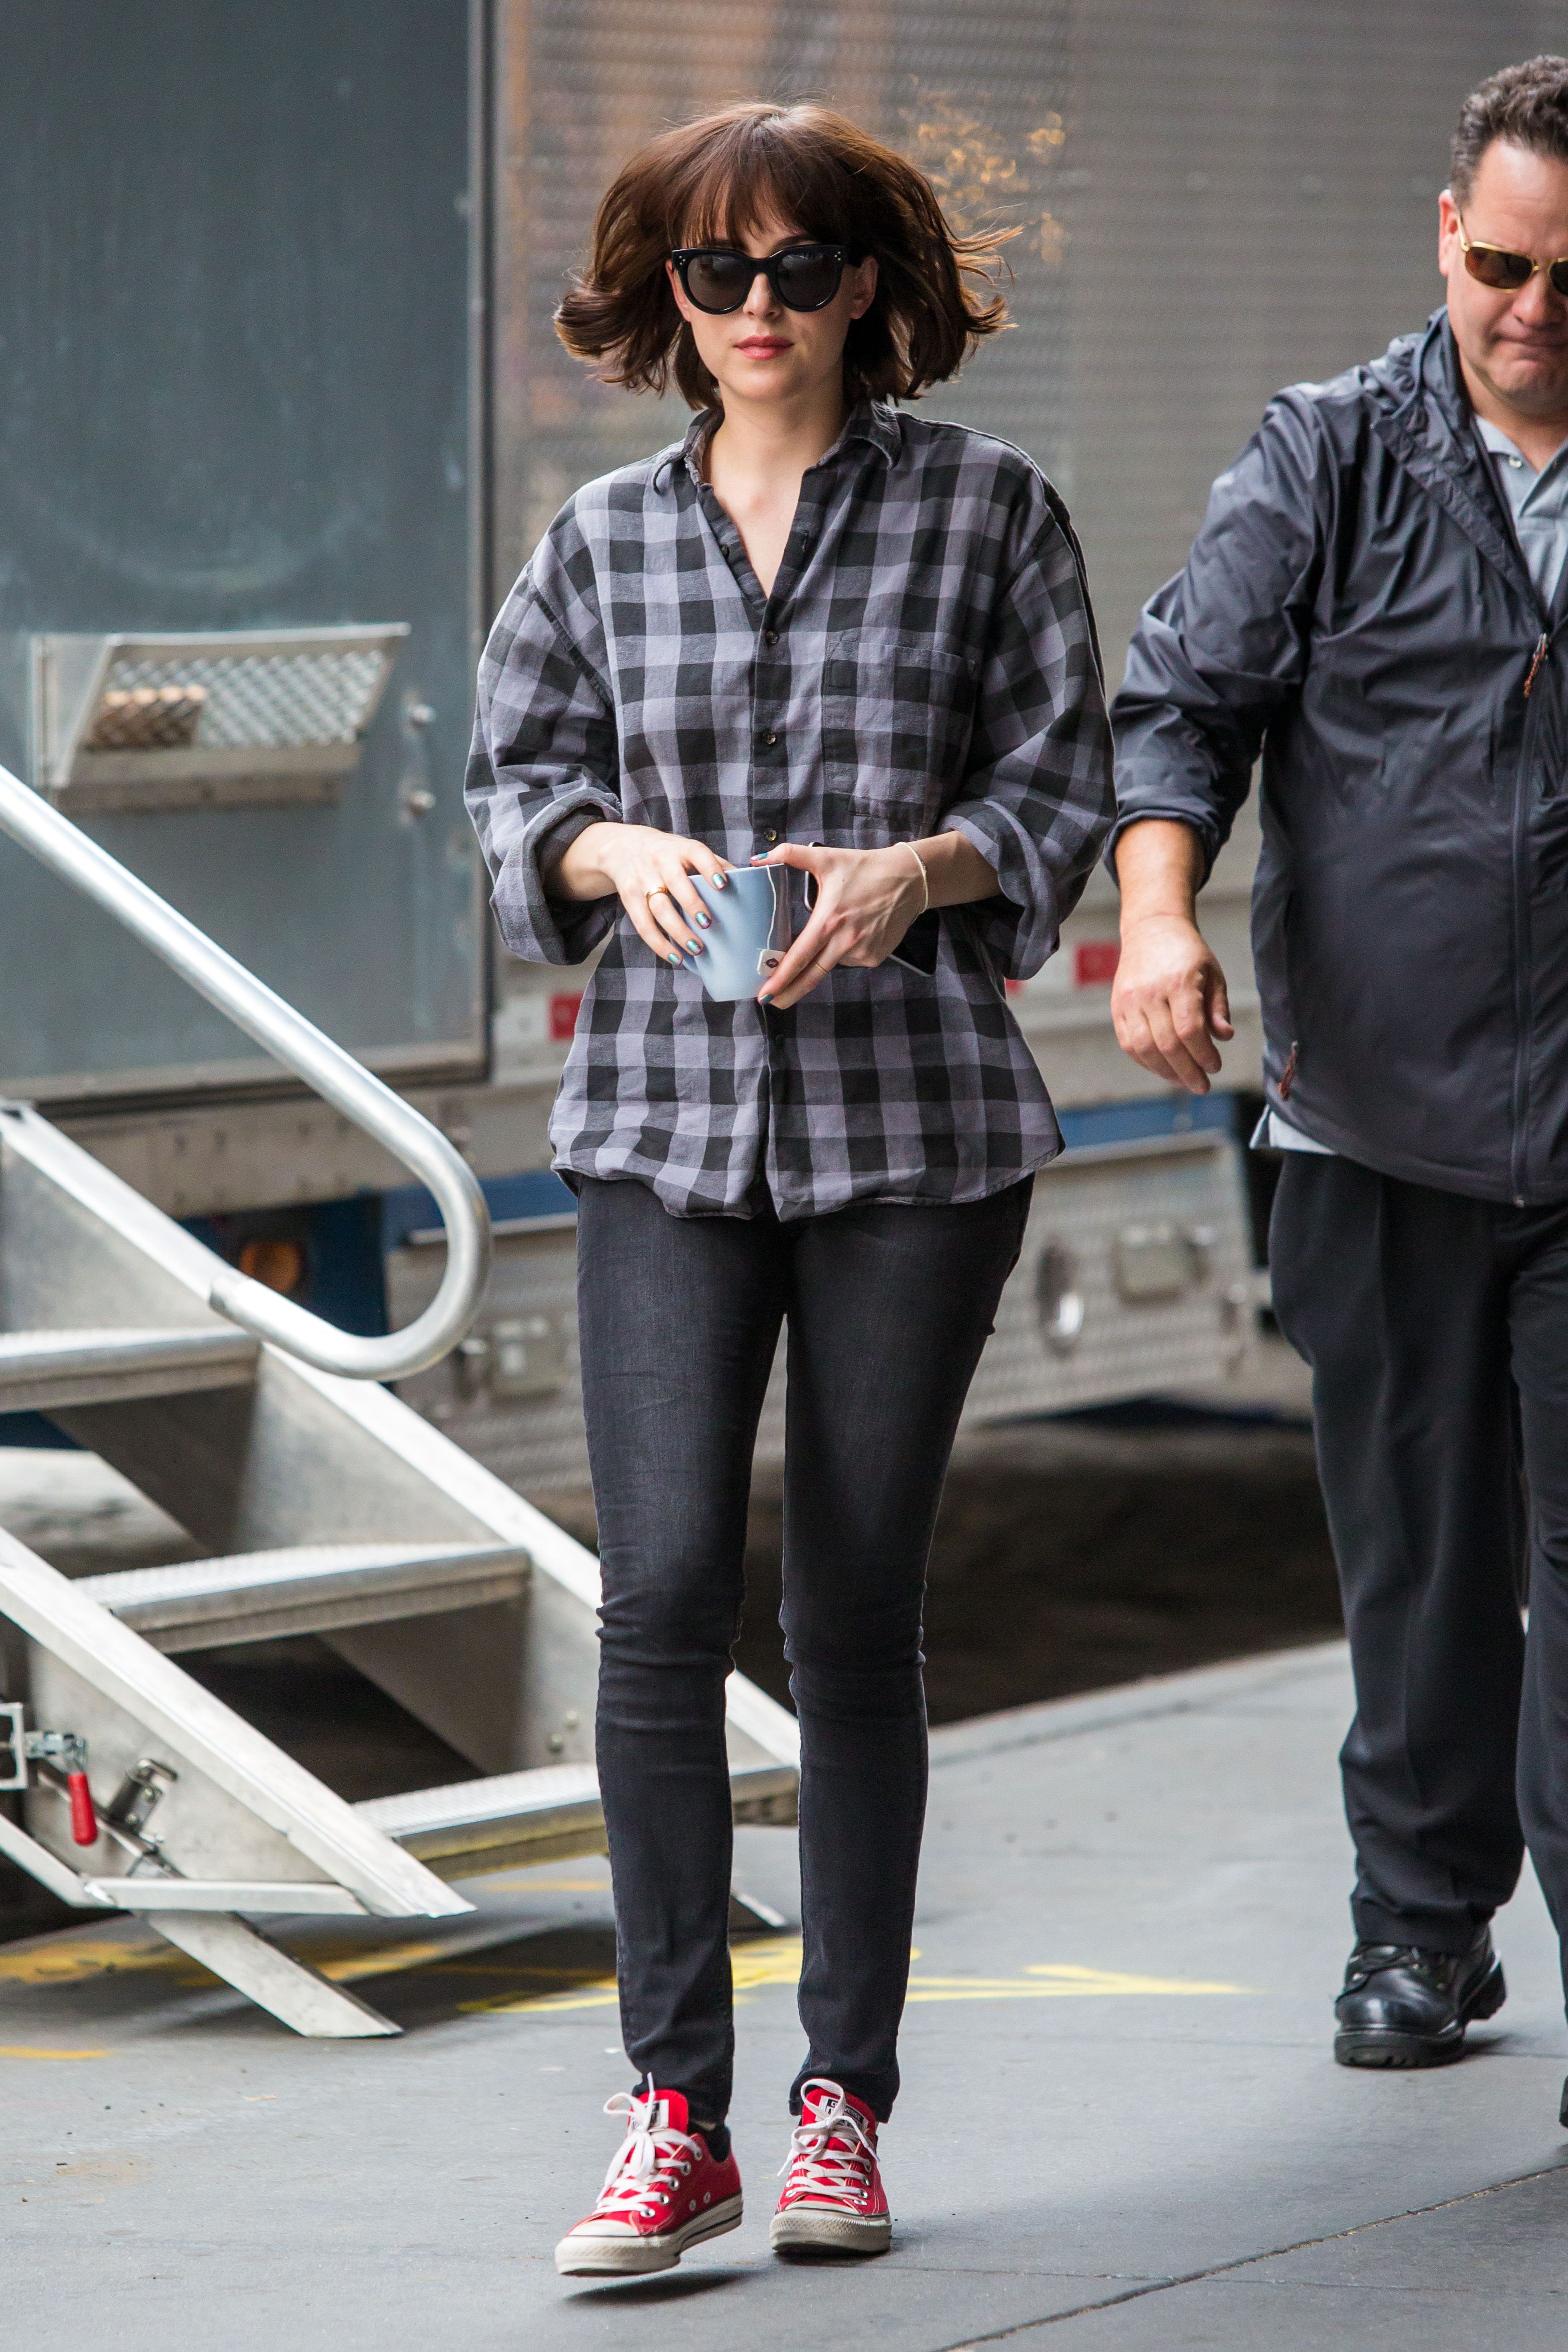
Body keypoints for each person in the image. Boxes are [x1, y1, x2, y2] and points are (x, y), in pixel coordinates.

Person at [466, 101, 1113, 2273]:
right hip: (660, 1126)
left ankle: (841, 2104)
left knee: (849, 1609)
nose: (758, 306)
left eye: (801, 266)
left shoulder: (985, 508)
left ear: (868, 285)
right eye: (715, 269)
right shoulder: (595, 541)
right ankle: (675, 2111)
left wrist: (921, 866)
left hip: (910, 1138)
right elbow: (510, 789)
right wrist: (604, 848)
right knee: (655, 1598)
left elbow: (1061, 781)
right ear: (665, 293)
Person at [1109, 55, 1568, 2104]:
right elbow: (1177, 708)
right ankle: (1419, 1920)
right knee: (1419, 1561)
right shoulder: (1327, 453)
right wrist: (1154, 919)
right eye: (1500, 266)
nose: (1530, 312)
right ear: (1443, 237)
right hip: (1370, 1117)